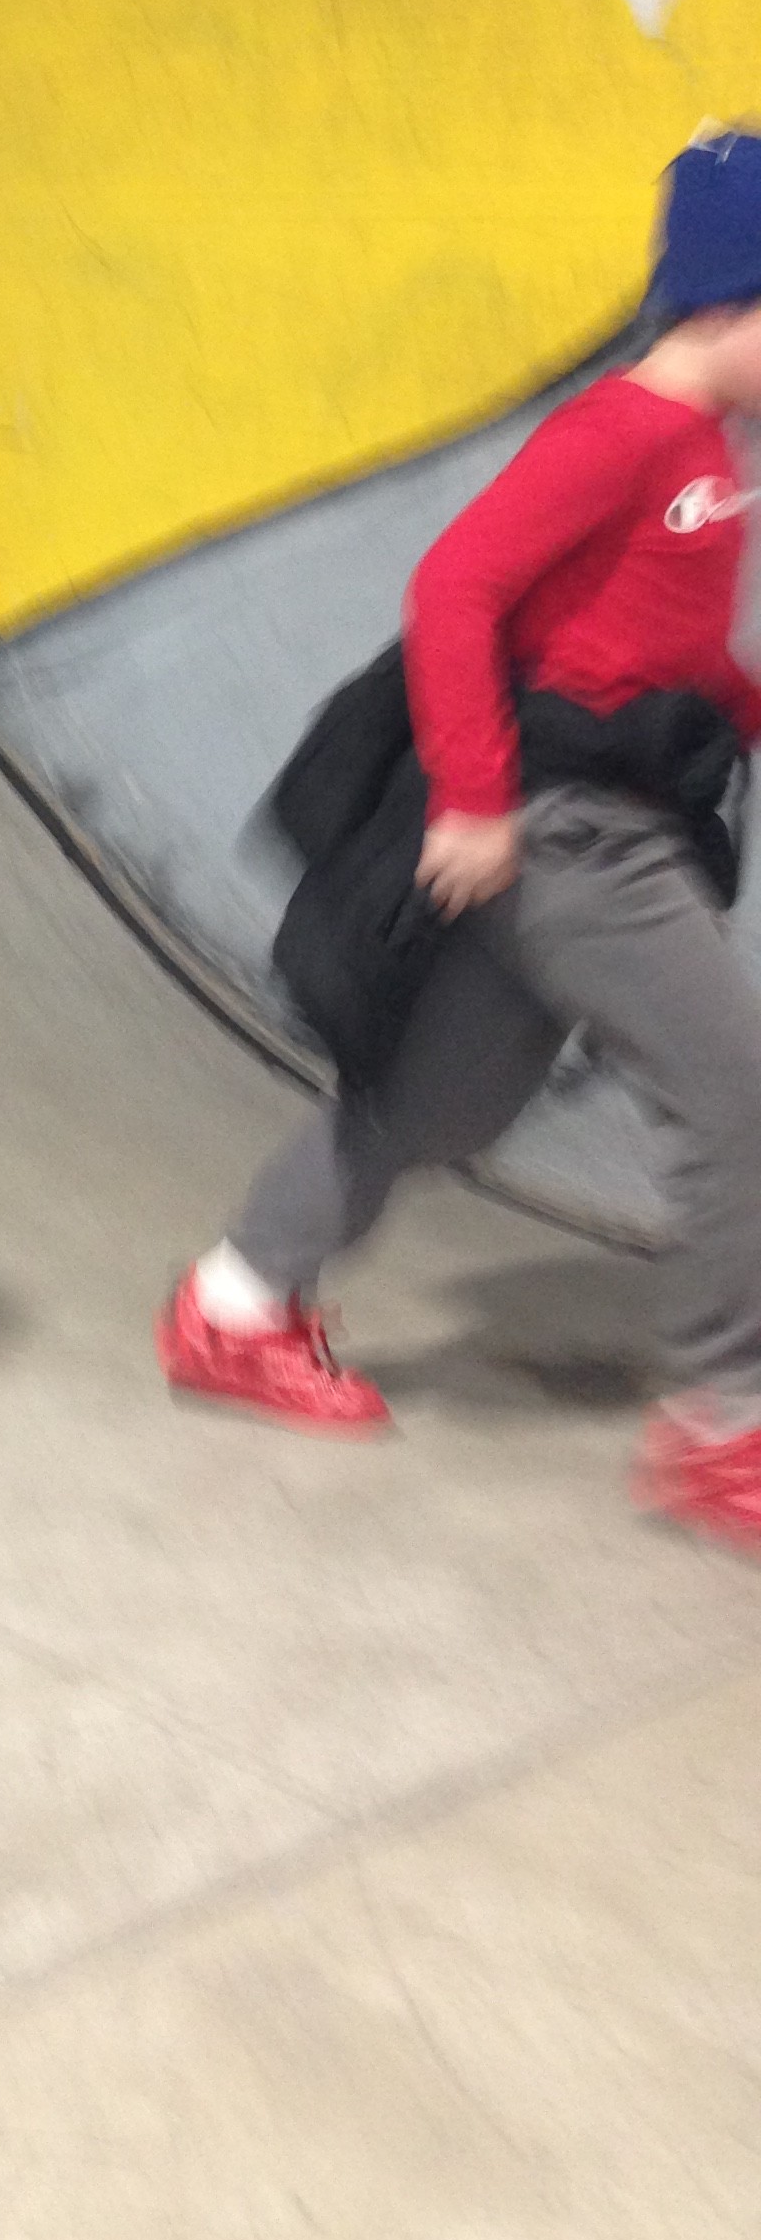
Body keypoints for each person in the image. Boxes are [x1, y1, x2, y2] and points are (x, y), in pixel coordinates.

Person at [158, 130, 761, 1549]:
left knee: (438, 1107)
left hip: (596, 820)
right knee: (740, 1099)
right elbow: (454, 590)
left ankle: (235, 1307)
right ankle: (726, 1429)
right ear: (733, 299)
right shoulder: (621, 434)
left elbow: (664, 643)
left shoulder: (712, 452)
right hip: (567, 834)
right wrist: (477, 799)